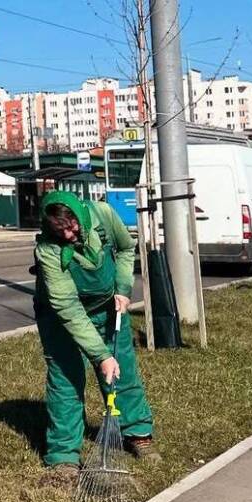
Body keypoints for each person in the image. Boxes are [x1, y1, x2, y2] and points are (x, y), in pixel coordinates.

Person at [33, 191, 159, 479]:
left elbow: (127, 248)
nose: (68, 234)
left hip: (108, 306)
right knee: (65, 379)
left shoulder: (102, 213)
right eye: (59, 230)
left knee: (122, 369)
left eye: (71, 225)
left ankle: (137, 432)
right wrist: (101, 356)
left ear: (79, 213)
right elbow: (69, 309)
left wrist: (123, 288)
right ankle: (64, 456)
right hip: (60, 317)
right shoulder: (48, 251)